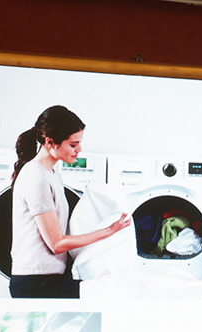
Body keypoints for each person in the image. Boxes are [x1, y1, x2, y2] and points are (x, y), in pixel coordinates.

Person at [9, 105, 130, 298]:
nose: (79, 149)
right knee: (110, 295)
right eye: (73, 145)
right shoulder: (36, 177)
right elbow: (56, 244)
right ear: (50, 142)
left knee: (113, 290)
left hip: (51, 278)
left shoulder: (52, 173)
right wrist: (109, 230)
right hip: (35, 284)